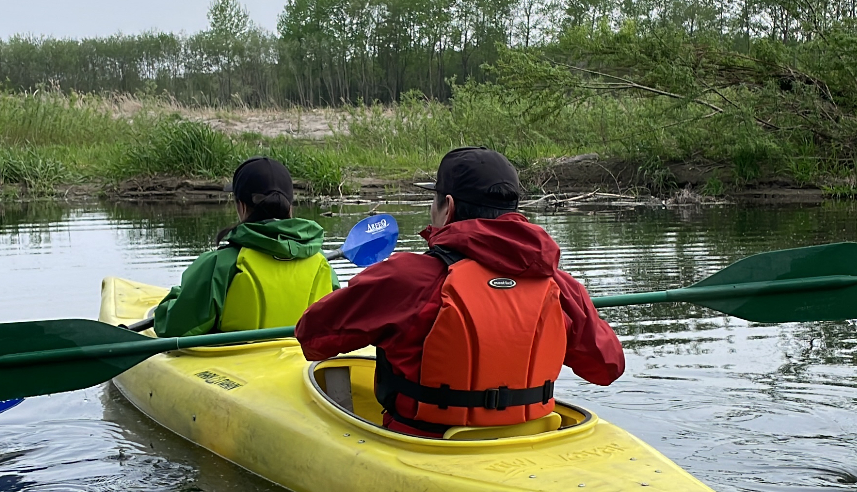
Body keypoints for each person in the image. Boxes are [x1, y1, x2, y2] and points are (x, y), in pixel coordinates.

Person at [295, 146, 624, 436]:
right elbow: (607, 366)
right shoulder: (561, 287)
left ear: (447, 207)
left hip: (427, 444)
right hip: (532, 437)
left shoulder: (405, 278)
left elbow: (312, 337)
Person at [153, 156, 337, 338]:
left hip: (239, 362)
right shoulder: (321, 262)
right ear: (290, 206)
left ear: (241, 206)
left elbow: (172, 327)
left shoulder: (219, 264)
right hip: (301, 362)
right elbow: (338, 319)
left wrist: (179, 296)